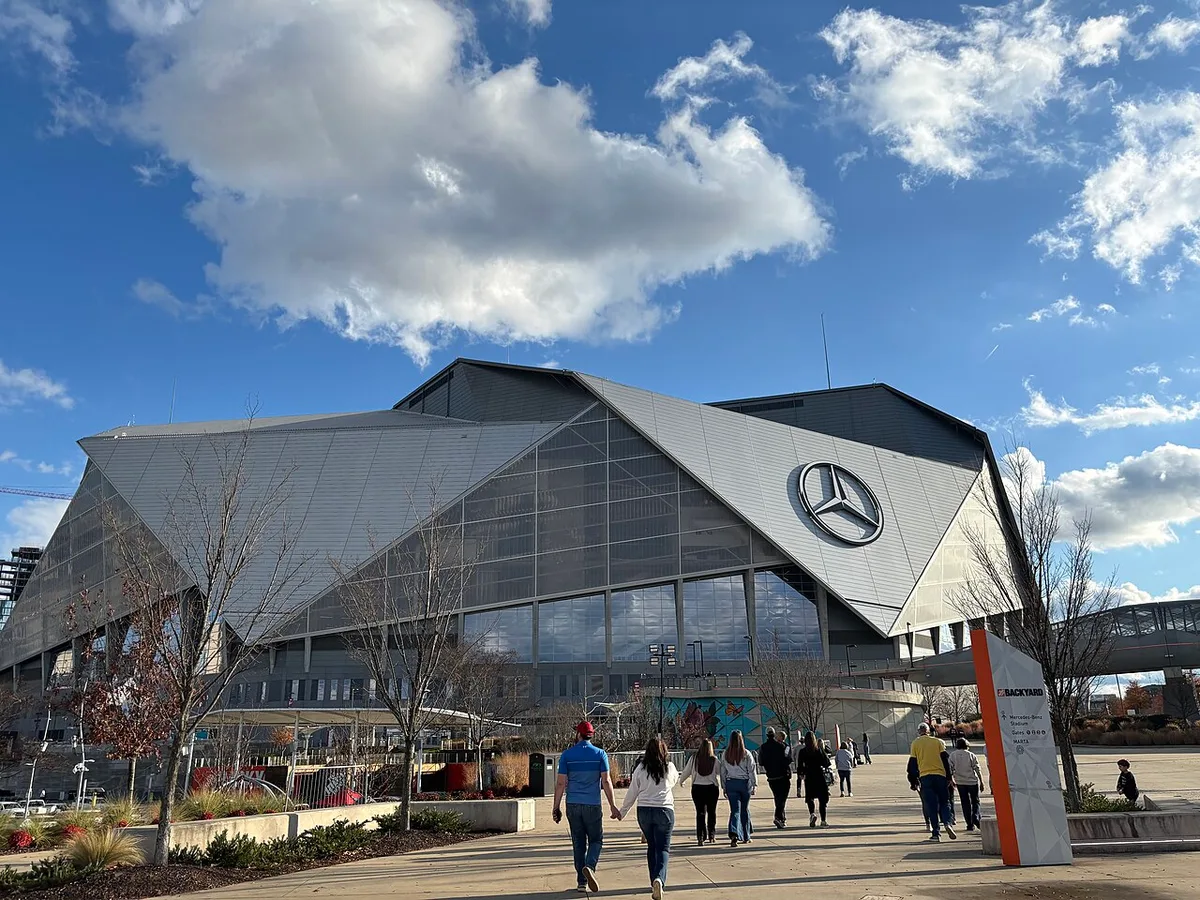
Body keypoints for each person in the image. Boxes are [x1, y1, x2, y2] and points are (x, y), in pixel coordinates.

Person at [553, 721, 620, 894]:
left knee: (578, 842)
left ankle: (581, 882)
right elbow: (606, 781)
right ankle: (590, 865)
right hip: (593, 804)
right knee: (596, 840)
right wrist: (613, 805)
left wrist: (556, 807)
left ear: (578, 734)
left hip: (573, 804)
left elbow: (561, 783)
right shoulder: (600, 754)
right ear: (592, 735)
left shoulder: (567, 755)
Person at [617, 738, 679, 900]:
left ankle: (653, 880)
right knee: (663, 848)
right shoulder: (669, 767)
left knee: (652, 846)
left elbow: (632, 792)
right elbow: (673, 782)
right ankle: (659, 878)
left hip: (644, 810)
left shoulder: (641, 769)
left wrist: (622, 812)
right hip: (664, 809)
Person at [907, 722, 956, 842]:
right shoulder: (938, 742)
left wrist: (913, 781)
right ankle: (947, 823)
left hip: (925, 776)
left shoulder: (915, 743)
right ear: (929, 731)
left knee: (931, 805)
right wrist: (949, 777)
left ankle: (936, 833)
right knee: (945, 802)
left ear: (919, 732)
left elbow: (912, 764)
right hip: (940, 776)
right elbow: (945, 760)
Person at [719, 730, 757, 847]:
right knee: (744, 809)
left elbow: (723, 772)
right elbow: (751, 770)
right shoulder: (746, 754)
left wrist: (724, 786)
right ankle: (746, 836)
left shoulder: (726, 754)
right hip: (744, 783)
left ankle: (734, 833)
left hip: (731, 783)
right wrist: (754, 784)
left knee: (735, 810)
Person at [680, 739, 720, 845]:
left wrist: (681, 781)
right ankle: (711, 835)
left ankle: (700, 837)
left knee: (700, 813)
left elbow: (686, 771)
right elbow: (721, 771)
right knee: (712, 812)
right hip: (711, 788)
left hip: (697, 788)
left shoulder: (694, 759)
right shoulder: (714, 759)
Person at [794, 730, 832, 827]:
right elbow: (827, 763)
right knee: (822, 799)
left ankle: (812, 814)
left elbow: (799, 765)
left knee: (810, 797)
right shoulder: (819, 750)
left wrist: (801, 774)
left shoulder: (803, 751)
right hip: (819, 775)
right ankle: (823, 820)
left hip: (809, 776)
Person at [759, 727, 793, 828]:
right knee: (782, 798)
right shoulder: (782, 746)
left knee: (777, 797)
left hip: (771, 776)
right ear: (774, 734)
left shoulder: (763, 747)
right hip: (783, 775)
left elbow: (760, 762)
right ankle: (778, 817)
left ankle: (782, 818)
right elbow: (788, 759)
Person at [948, 737, 984, 832]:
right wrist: (981, 781)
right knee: (975, 801)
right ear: (967, 745)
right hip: (972, 781)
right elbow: (977, 768)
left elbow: (950, 769)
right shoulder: (971, 755)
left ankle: (969, 824)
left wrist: (951, 780)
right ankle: (975, 816)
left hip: (960, 781)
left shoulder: (952, 755)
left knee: (965, 803)